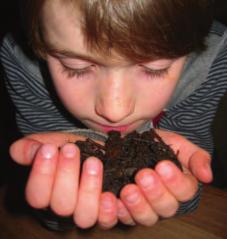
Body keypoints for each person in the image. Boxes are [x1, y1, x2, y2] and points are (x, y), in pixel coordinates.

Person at [0, 0, 226, 231]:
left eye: (154, 68)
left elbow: (190, 192)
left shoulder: (212, 54)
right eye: (75, 67)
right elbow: (51, 215)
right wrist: (57, 203)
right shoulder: (24, 61)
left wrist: (179, 192)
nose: (114, 111)